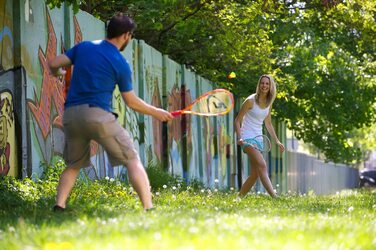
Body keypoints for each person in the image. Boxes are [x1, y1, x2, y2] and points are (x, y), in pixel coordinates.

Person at [48, 13, 173, 211]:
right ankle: (149, 208)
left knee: (73, 164)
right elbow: (130, 101)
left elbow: (54, 63)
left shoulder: (84, 47)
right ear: (126, 35)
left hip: (71, 116)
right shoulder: (120, 62)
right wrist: (156, 111)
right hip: (98, 116)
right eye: (130, 36)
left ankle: (59, 205)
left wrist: (58, 73)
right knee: (131, 159)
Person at [234, 74, 285, 198]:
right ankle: (274, 197)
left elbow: (268, 124)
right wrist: (240, 137)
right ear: (259, 85)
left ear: (270, 86)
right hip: (247, 138)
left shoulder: (268, 103)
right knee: (262, 165)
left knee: (255, 173)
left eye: (267, 84)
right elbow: (237, 120)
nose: (264, 86)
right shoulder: (250, 101)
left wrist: (277, 141)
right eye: (262, 83)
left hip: (259, 139)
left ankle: (239, 198)